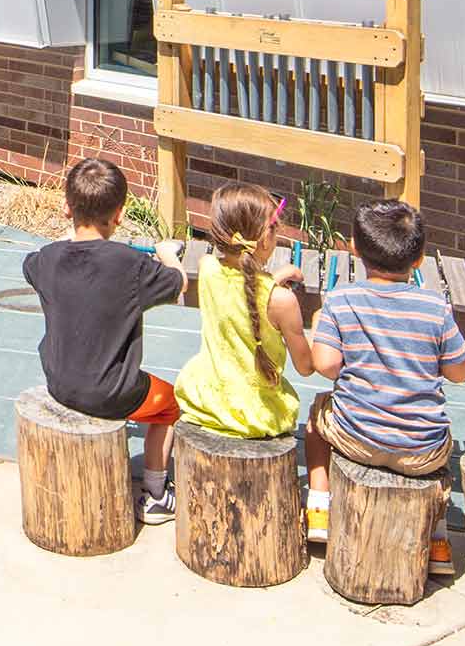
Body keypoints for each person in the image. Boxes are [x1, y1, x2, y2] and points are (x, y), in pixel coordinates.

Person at [22, 156, 191, 523]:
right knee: (170, 404)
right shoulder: (129, 264)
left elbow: (29, 263)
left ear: (67, 207)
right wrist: (167, 256)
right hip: (113, 393)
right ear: (119, 214)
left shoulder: (48, 259)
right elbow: (179, 284)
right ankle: (157, 493)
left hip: (58, 383)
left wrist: (67, 240)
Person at [304, 199, 465, 574]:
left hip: (356, 439)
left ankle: (318, 502)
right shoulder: (435, 307)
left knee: (316, 417)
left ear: (353, 247)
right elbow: (459, 373)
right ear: (419, 257)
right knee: (442, 443)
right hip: (419, 452)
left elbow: (326, 366)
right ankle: (438, 538)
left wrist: (320, 325)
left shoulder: (340, 301)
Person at [171, 184, 314, 443]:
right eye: (274, 226)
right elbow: (305, 367)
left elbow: (244, 289)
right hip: (256, 416)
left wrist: (275, 277)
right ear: (264, 239)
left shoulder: (208, 268)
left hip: (206, 400)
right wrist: (318, 324)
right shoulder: (282, 301)